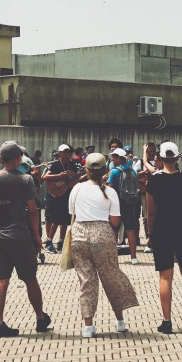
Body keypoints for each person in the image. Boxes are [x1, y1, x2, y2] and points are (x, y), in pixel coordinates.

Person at [68, 152, 139, 338]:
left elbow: (72, 212)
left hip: (79, 234)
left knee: (86, 280)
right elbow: (115, 221)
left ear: (86, 169)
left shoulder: (77, 189)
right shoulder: (109, 191)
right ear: (105, 170)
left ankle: (88, 326)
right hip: (102, 234)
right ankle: (120, 320)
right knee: (111, 276)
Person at [0, 142, 46, 338]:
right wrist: (37, 236)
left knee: (1, 279)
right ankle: (40, 318)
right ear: (18, 157)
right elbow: (33, 211)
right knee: (29, 278)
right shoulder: (25, 179)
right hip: (19, 234)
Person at [144, 141, 182, 333]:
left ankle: (167, 320)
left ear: (160, 157)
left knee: (165, 276)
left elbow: (150, 212)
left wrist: (150, 233)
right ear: (177, 157)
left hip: (161, 230)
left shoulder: (153, 181)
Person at [41, 144, 80, 255]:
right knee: (56, 219)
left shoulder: (72, 164)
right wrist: (59, 176)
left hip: (68, 194)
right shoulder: (55, 164)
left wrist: (84, 175)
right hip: (56, 195)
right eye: (64, 152)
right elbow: (44, 177)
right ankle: (49, 242)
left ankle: (61, 242)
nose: (66, 154)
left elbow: (76, 178)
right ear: (60, 153)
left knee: (65, 220)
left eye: (68, 152)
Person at [107, 147, 142, 263]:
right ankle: (134, 257)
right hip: (130, 203)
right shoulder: (133, 171)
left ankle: (112, 257)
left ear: (118, 158)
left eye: (113, 157)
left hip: (116, 204)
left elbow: (109, 187)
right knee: (130, 230)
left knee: (114, 230)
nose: (112, 160)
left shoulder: (114, 171)